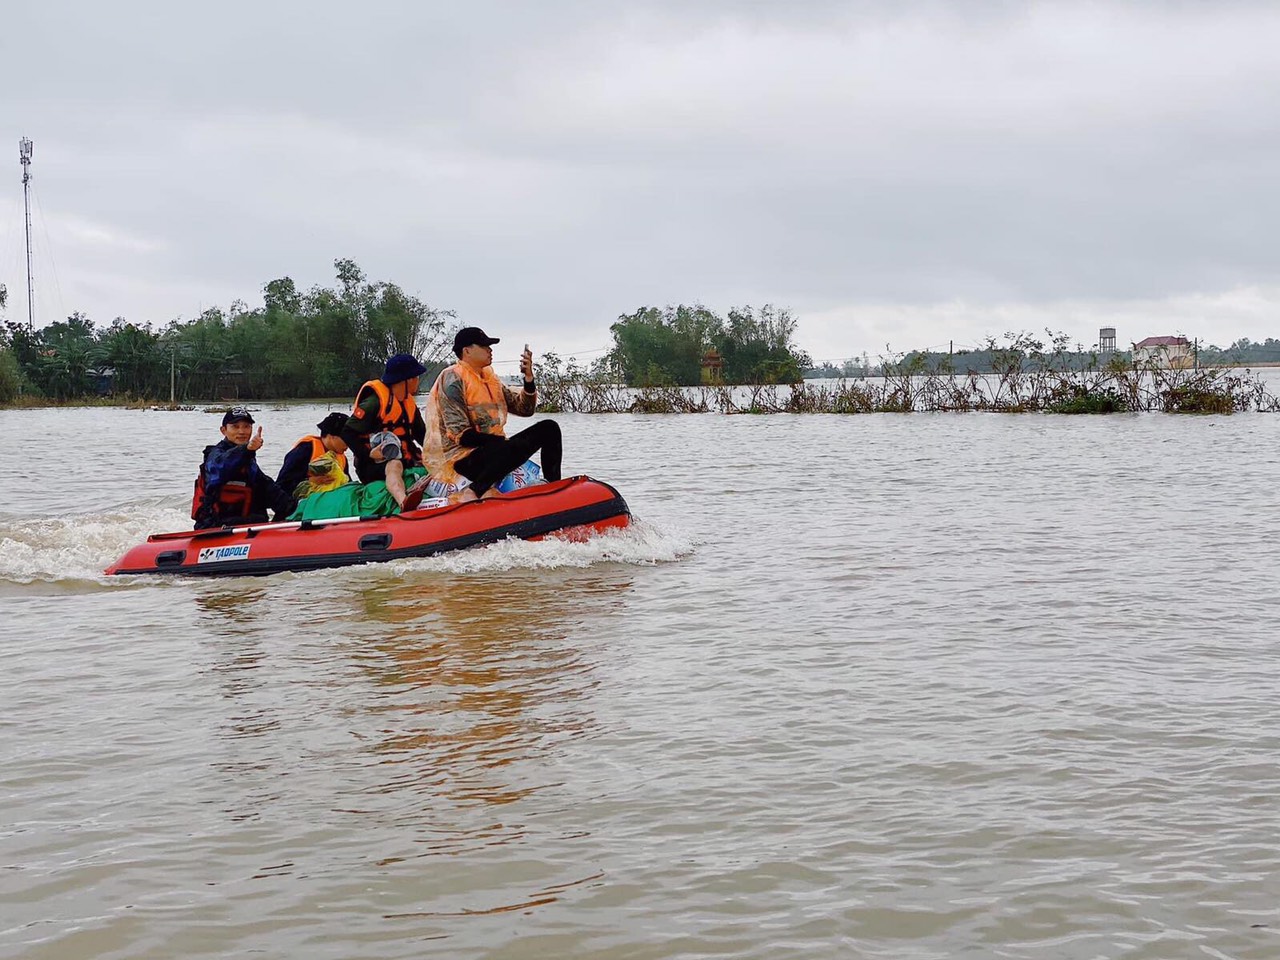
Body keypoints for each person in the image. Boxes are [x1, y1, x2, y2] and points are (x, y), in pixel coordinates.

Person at [424, 327, 563, 501]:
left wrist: (528, 379)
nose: (490, 350)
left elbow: (524, 410)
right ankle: (474, 490)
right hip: (464, 458)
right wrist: (501, 443)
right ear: (466, 350)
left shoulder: (490, 379)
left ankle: (555, 488)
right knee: (500, 446)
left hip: (494, 453)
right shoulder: (452, 379)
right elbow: (461, 436)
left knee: (549, 428)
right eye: (484, 346)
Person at [342, 353, 429, 511]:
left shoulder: (408, 403)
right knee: (394, 464)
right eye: (416, 376)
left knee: (431, 463)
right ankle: (403, 501)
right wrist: (368, 454)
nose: (418, 380)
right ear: (406, 379)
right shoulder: (374, 402)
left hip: (405, 458)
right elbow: (348, 432)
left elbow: (422, 435)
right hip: (373, 465)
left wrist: (438, 456)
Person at [192, 407, 293, 529]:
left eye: (246, 426)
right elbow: (221, 466)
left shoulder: (249, 461)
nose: (242, 431)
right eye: (235, 427)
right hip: (217, 528)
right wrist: (247, 449)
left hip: (246, 526)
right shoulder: (214, 456)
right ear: (223, 430)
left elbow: (267, 487)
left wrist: (295, 507)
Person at [276, 412, 351, 500]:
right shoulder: (304, 450)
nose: (349, 444)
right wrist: (310, 482)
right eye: (347, 439)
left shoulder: (342, 458)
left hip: (331, 505)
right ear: (331, 436)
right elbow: (281, 485)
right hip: (303, 506)